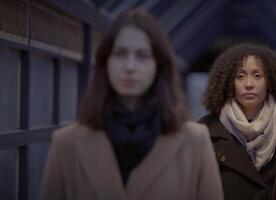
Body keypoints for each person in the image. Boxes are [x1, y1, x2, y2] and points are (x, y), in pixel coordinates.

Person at [40, 8, 223, 200]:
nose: (130, 67)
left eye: (142, 56)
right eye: (120, 54)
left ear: (158, 65)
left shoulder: (195, 142)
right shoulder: (66, 144)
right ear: (105, 62)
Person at [199, 43, 276, 200]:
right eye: (240, 76)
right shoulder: (205, 132)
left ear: (269, 82)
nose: (249, 84)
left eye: (257, 76)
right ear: (229, 82)